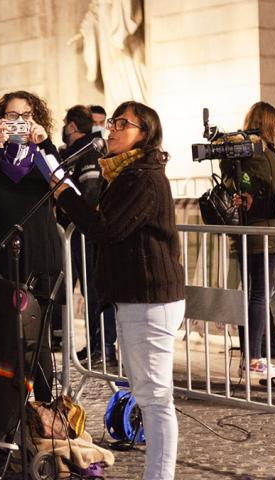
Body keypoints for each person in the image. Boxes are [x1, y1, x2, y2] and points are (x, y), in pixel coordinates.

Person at [53, 101, 185, 480]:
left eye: (122, 124)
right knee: (147, 394)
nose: (111, 129)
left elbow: (106, 228)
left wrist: (64, 194)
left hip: (151, 298)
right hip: (134, 296)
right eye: (112, 122)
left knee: (157, 399)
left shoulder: (143, 176)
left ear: (144, 133)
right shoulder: (123, 173)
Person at [0, 91, 62, 402]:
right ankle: (3, 412)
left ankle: (46, 409)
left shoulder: (43, 158)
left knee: (39, 340)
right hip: (1, 258)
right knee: (2, 338)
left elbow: (64, 184)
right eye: (11, 116)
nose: (18, 122)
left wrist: (46, 144)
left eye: (25, 115)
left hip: (39, 257)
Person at [220, 101, 275, 380]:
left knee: (252, 295)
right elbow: (271, 193)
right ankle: (255, 358)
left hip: (245, 234)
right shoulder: (262, 154)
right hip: (262, 234)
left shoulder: (238, 151)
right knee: (259, 295)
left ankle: (252, 356)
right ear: (269, 123)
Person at [60, 105, 116, 365]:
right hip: (79, 231)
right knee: (88, 292)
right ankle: (96, 345)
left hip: (86, 232)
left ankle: (103, 347)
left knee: (95, 291)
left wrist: (77, 214)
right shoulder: (76, 153)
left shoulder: (88, 152)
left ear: (72, 126)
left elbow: (91, 192)